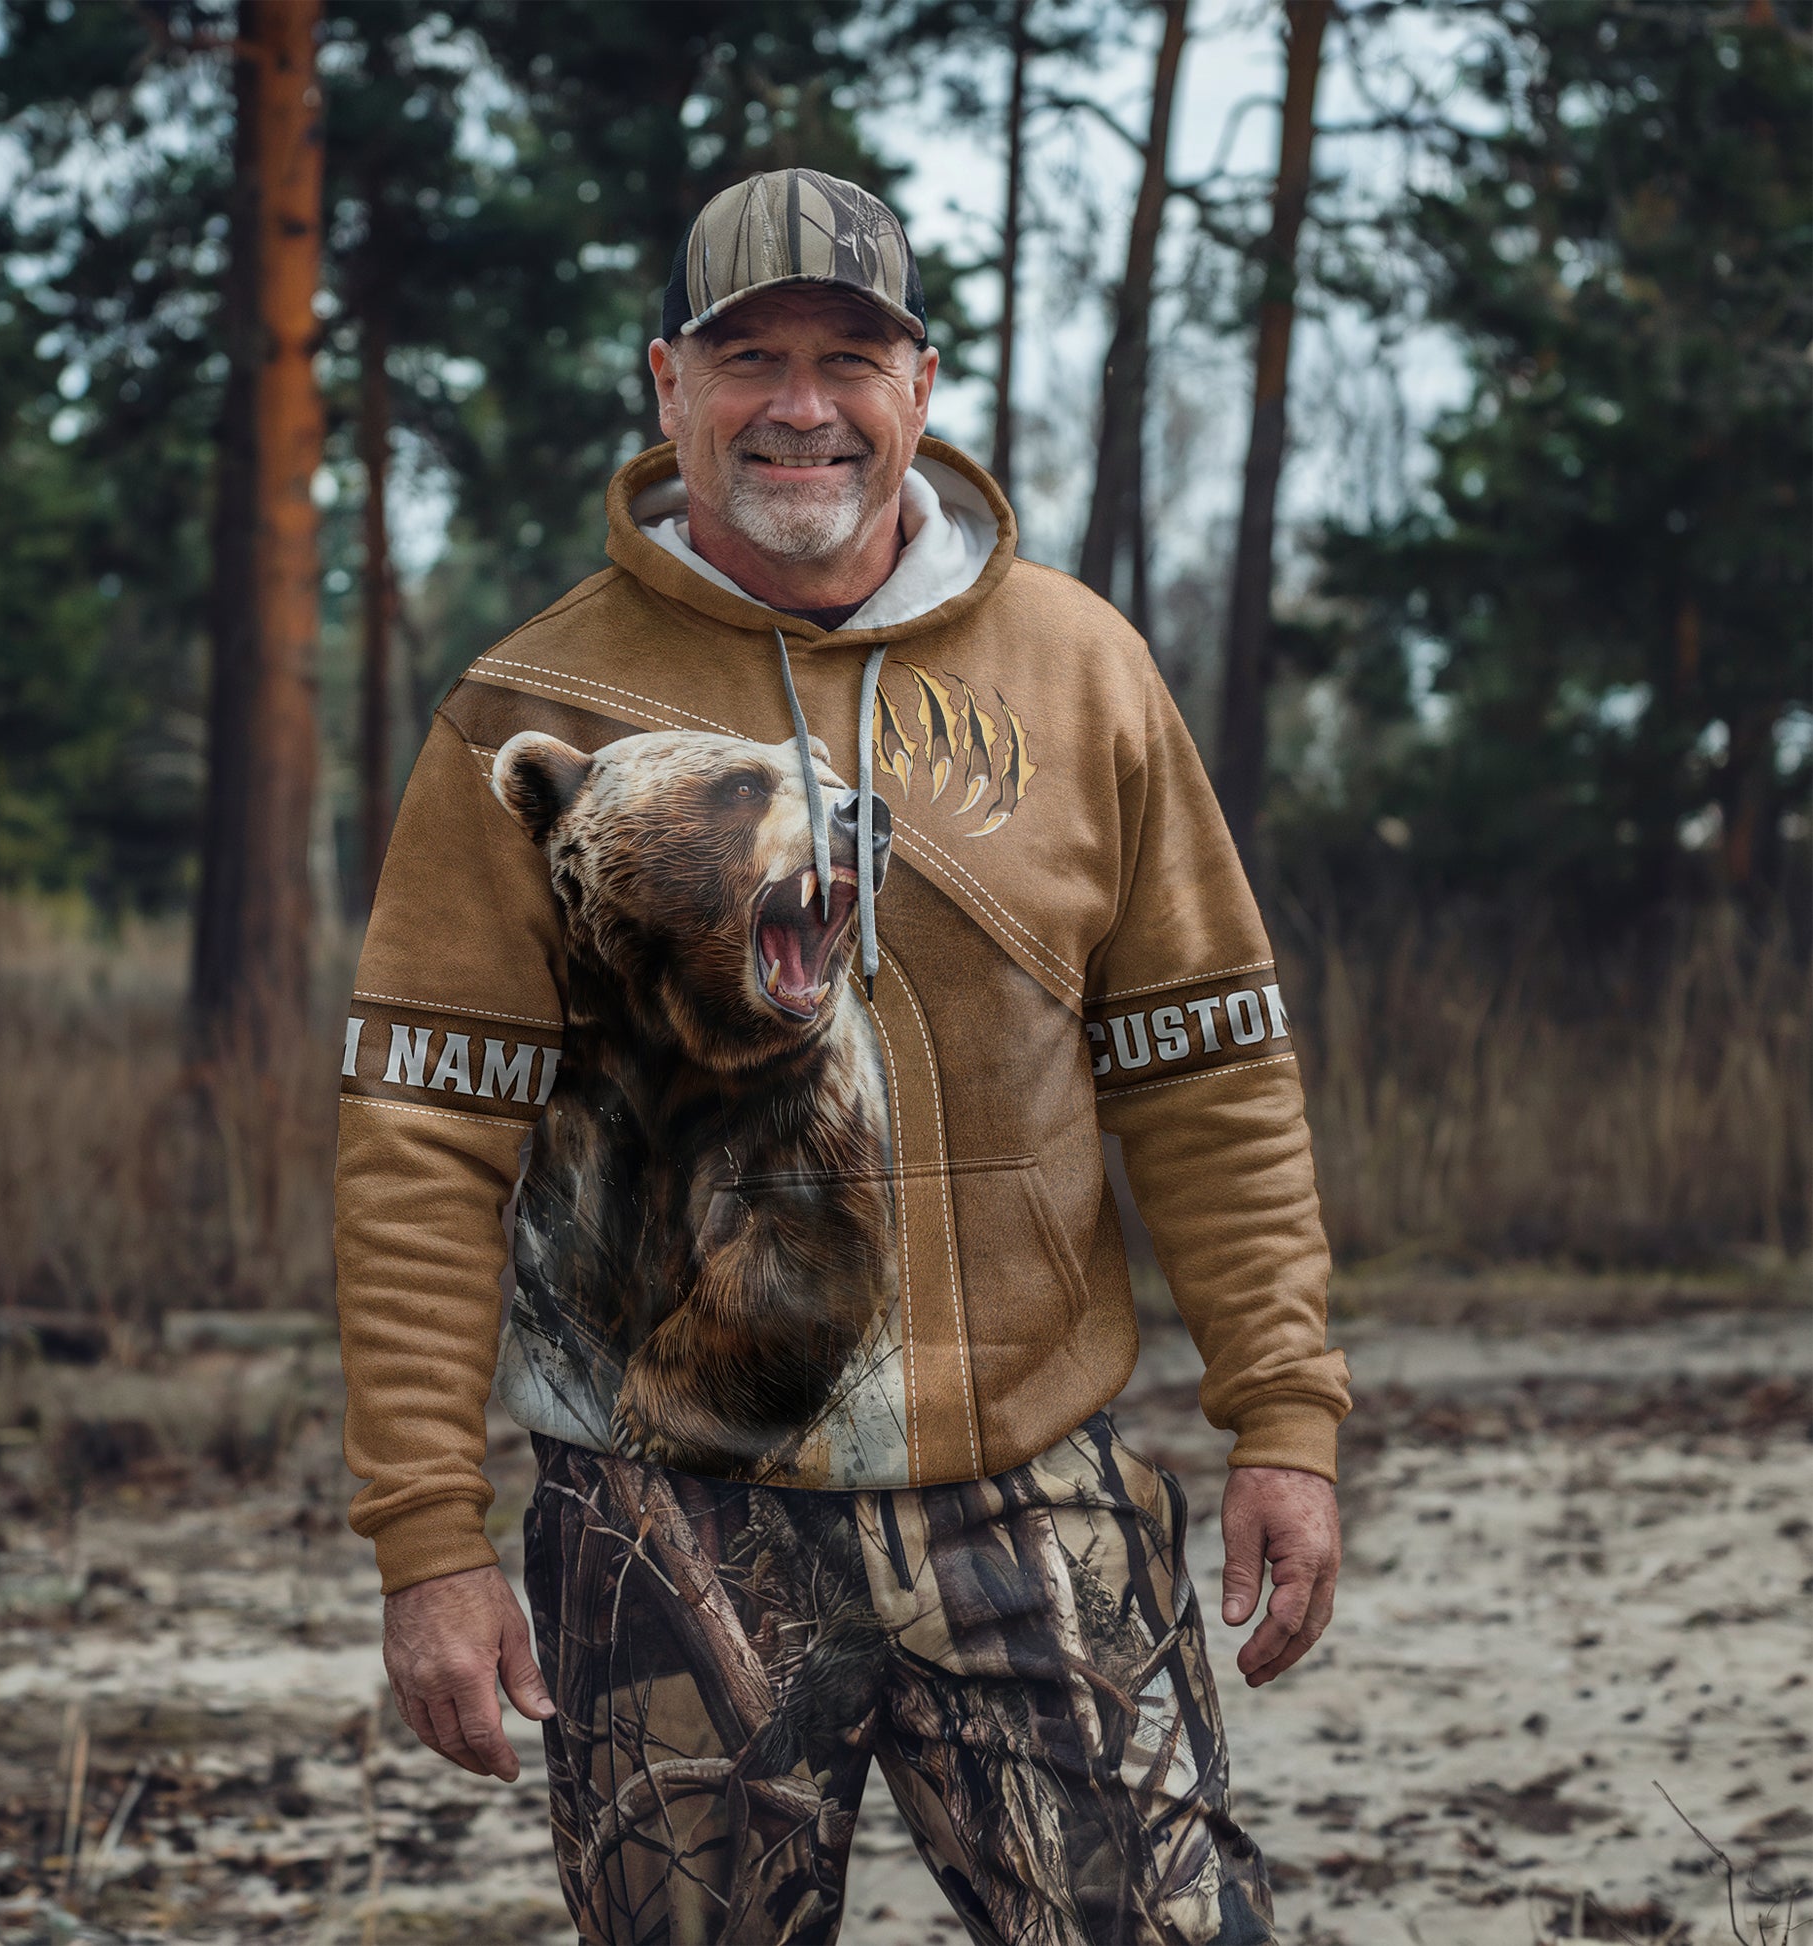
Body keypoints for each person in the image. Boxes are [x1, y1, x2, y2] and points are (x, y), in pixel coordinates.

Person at [336, 167, 1351, 1945]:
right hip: (663, 1520)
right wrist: (428, 1532)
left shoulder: (1083, 673)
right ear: (667, 387)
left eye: (846, 357)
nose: (799, 405)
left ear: (919, 390)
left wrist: (1284, 1414)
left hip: (1034, 1490)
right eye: (749, 358)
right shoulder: (526, 715)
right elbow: (425, 1142)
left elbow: (1205, 1073)